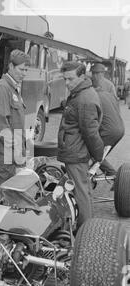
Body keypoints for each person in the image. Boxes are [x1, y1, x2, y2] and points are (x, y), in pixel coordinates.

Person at [57, 61, 104, 228]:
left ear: (83, 76)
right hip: (76, 151)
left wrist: (98, 156)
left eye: (70, 79)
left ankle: (86, 231)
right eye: (65, 79)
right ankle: (88, 226)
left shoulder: (84, 99)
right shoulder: (81, 93)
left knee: (81, 192)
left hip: (76, 153)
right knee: (84, 189)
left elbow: (91, 133)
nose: (67, 83)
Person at [0, 49, 30, 197]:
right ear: (11, 66)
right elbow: (1, 123)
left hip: (11, 155)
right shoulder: (3, 88)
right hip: (4, 156)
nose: (24, 73)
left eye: (26, 70)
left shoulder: (13, 88)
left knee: (9, 196)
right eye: (21, 69)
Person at [93, 87, 125, 177]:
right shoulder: (109, 95)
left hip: (109, 131)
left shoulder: (94, 96)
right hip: (120, 128)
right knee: (100, 155)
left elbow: (94, 119)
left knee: (95, 154)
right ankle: (92, 173)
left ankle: (115, 177)